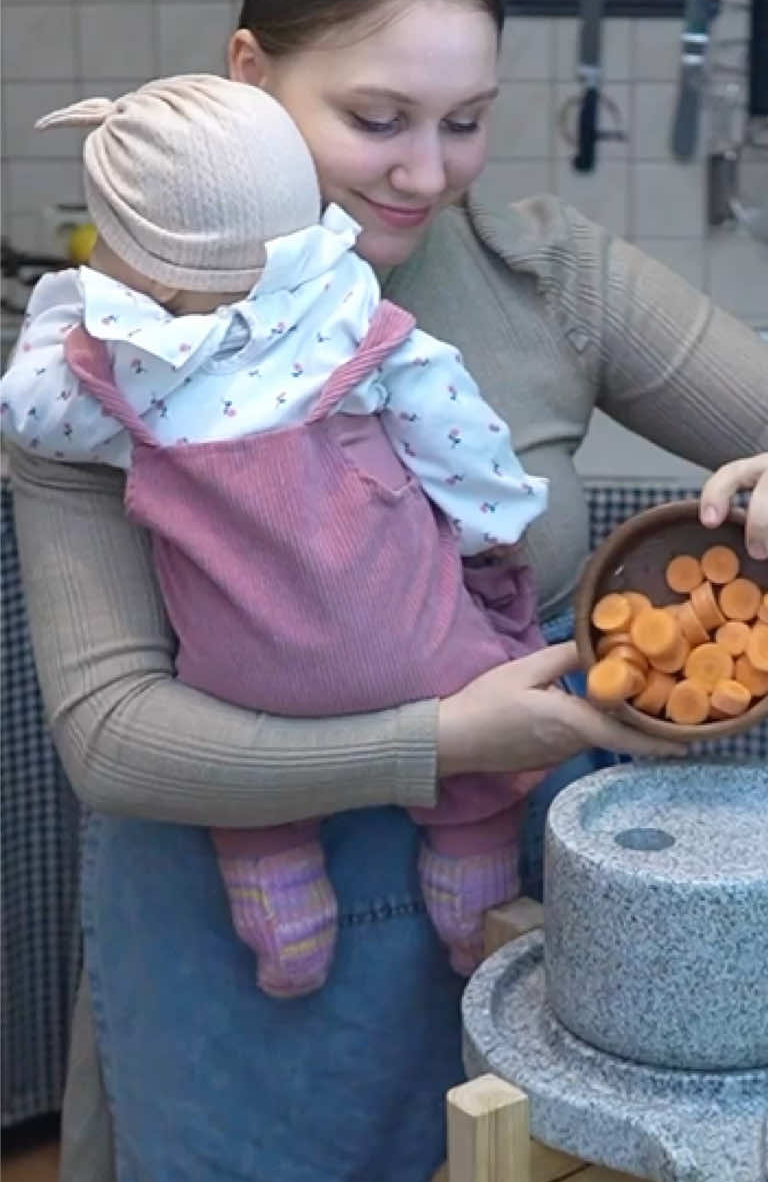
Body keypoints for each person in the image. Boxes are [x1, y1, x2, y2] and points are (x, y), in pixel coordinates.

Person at [7, 0, 768, 1182]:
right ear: (249, 77)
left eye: (467, 118)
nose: (426, 172)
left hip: (516, 922)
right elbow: (114, 736)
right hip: (241, 961)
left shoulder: (543, 278)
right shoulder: (119, 347)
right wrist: (444, 736)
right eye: (377, 118)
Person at [0, 73, 558, 992]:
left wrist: (74, 306)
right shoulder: (351, 322)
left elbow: (29, 411)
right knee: (476, 731)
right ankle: (472, 867)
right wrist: (490, 534)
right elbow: (459, 436)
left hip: (247, 690)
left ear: (149, 265)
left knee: (246, 792)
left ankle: (279, 896)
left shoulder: (130, 383)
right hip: (418, 653)